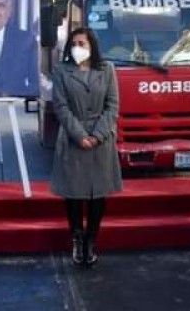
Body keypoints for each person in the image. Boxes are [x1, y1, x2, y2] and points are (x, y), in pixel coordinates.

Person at [50, 27, 122, 267]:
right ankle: (77, 238)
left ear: (92, 46)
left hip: (101, 140)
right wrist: (80, 135)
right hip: (73, 138)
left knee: (97, 193)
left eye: (83, 43)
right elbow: (60, 106)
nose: (78, 48)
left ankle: (92, 239)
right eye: (74, 43)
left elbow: (112, 106)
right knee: (74, 193)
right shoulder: (61, 71)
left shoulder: (107, 69)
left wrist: (98, 135)